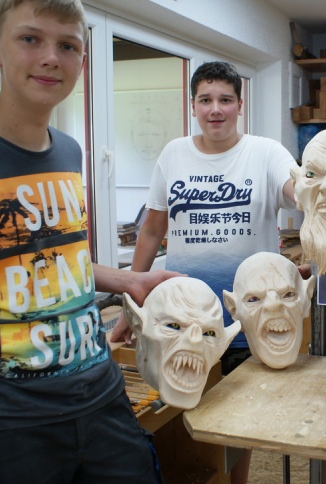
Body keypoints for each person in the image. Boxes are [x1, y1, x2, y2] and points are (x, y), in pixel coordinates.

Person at [0, 0, 180, 484]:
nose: (51, 58)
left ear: (81, 61)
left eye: (68, 45)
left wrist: (127, 279)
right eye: (30, 38)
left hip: (101, 400)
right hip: (7, 428)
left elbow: (51, 259)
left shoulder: (67, 151)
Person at [112, 60, 298, 484]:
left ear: (240, 105)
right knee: (181, 412)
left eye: (225, 100)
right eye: (206, 100)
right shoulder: (174, 154)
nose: (216, 109)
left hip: (246, 316)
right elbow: (152, 231)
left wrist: (313, 186)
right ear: (192, 105)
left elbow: (295, 188)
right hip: (179, 317)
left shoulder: (265, 152)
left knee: (239, 420)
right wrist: (128, 302)